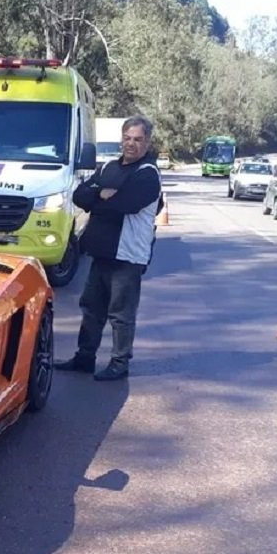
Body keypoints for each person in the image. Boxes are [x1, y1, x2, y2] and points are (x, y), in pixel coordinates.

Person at [55, 114, 161, 382]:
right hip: (101, 253)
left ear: (147, 142)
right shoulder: (107, 168)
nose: (131, 144)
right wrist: (100, 194)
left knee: (121, 315)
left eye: (138, 139)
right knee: (91, 308)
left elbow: (121, 206)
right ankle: (84, 357)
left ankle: (119, 362)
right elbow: (80, 195)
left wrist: (98, 198)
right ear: (121, 139)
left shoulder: (147, 175)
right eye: (127, 138)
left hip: (127, 256)